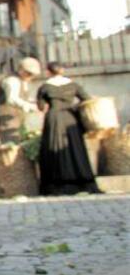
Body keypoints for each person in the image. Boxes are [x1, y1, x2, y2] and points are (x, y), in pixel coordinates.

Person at [36, 62, 100, 195]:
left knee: (54, 147)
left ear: (48, 72)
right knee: (75, 148)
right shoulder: (74, 85)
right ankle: (81, 181)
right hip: (71, 117)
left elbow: (41, 107)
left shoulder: (45, 87)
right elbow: (86, 99)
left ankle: (57, 184)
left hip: (54, 119)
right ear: (62, 70)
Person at [0, 57, 41, 144]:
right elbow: (12, 99)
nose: (31, 77)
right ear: (21, 70)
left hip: (16, 116)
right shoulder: (12, 80)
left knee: (20, 139)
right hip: (5, 115)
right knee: (10, 141)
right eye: (29, 73)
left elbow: (23, 97)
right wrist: (29, 106)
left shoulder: (23, 81)